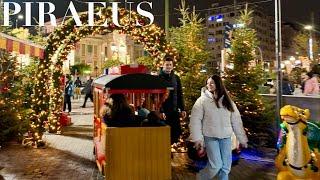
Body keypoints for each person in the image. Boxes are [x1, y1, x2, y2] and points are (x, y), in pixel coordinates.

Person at [189, 75, 248, 180]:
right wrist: (197, 138)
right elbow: (195, 120)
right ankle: (201, 177)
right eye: (207, 83)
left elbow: (236, 120)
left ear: (218, 84)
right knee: (216, 165)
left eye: (211, 83)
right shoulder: (202, 101)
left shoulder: (227, 101)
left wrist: (242, 139)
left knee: (225, 167)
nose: (209, 85)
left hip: (226, 137)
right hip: (210, 137)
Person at [159, 56, 186, 145]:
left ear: (172, 66)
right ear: (163, 65)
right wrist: (160, 111)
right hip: (164, 112)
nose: (168, 66)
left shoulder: (176, 78)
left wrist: (182, 109)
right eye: (167, 65)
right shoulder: (158, 78)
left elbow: (179, 94)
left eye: (170, 65)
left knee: (175, 133)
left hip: (174, 111)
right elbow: (157, 97)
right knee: (164, 134)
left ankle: (169, 150)